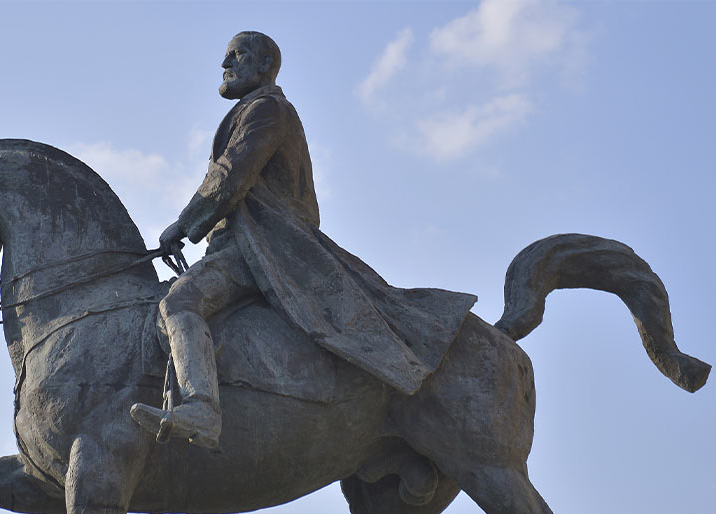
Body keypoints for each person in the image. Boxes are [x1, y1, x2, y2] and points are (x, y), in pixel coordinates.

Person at [131, 31, 476, 450]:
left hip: (262, 249)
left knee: (179, 303)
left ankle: (202, 408)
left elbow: (230, 175)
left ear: (264, 65)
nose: (225, 65)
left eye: (236, 55)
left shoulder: (267, 109)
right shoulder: (251, 110)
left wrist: (183, 225)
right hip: (241, 245)